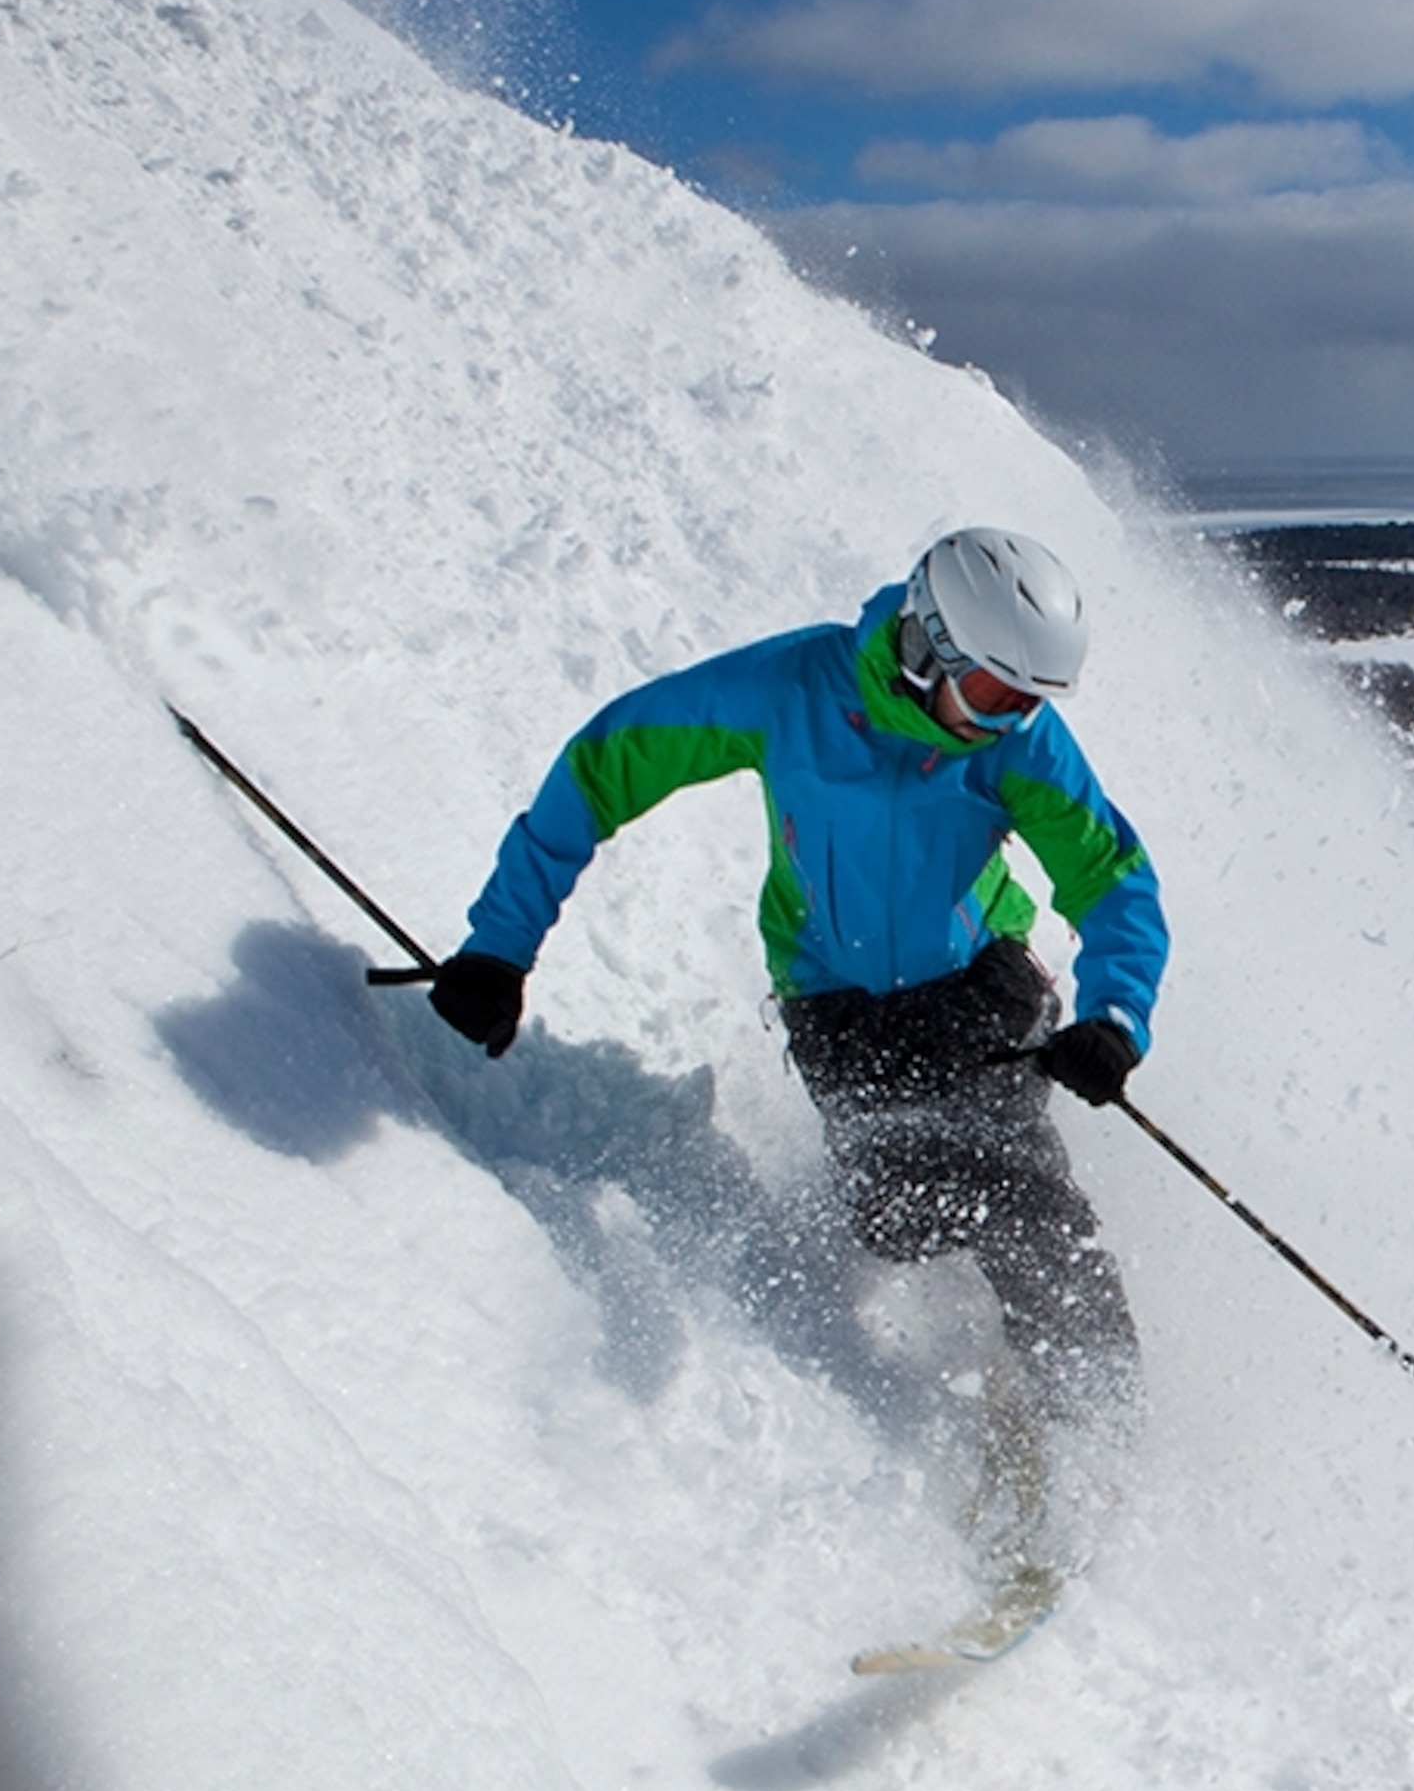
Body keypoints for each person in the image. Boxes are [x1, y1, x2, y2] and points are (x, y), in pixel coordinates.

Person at [428, 526, 1167, 1553]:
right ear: (928, 648)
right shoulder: (794, 692)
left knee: (1025, 1200)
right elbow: (606, 763)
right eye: (997, 694)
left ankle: (1098, 1441)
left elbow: (1112, 879)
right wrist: (498, 946)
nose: (1014, 720)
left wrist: (1115, 1017)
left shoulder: (1017, 746)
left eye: (1032, 700)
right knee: (900, 1213)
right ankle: (995, 1306)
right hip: (842, 1014)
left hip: (980, 990)